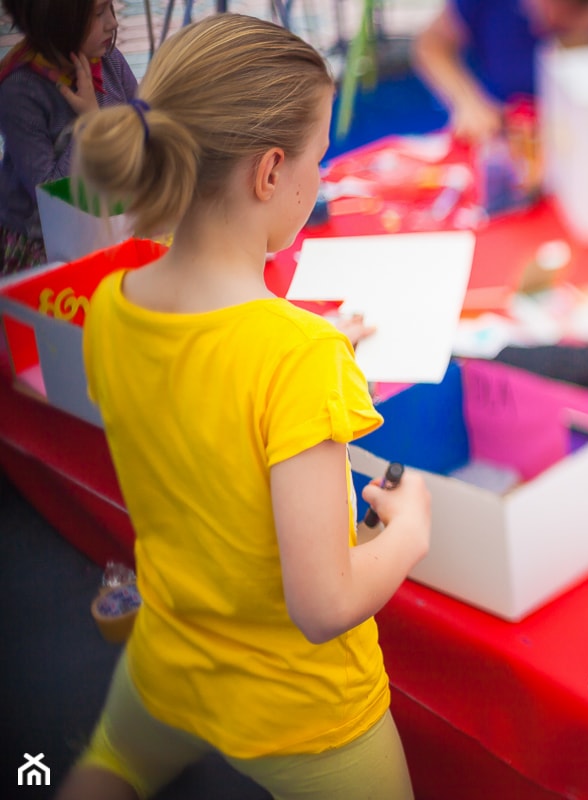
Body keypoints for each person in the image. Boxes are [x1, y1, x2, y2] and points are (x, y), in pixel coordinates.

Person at [55, 14, 431, 800]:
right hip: (304, 712)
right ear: (268, 173)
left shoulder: (113, 304)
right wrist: (410, 532)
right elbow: (324, 603)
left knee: (109, 768)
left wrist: (300, 351)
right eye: (318, 161)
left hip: (170, 662)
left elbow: (202, 404)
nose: (319, 179)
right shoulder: (297, 357)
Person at [0, 0, 138, 275]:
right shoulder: (20, 93)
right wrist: (89, 126)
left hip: (111, 220)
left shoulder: (109, 61)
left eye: (110, 7)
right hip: (46, 247)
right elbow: (55, 197)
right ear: (53, 20)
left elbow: (146, 134)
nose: (112, 22)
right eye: (98, 13)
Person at [412, 0, 588, 143]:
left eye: (568, 16)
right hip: (503, 135)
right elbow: (432, 45)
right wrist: (467, 102)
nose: (547, 23)